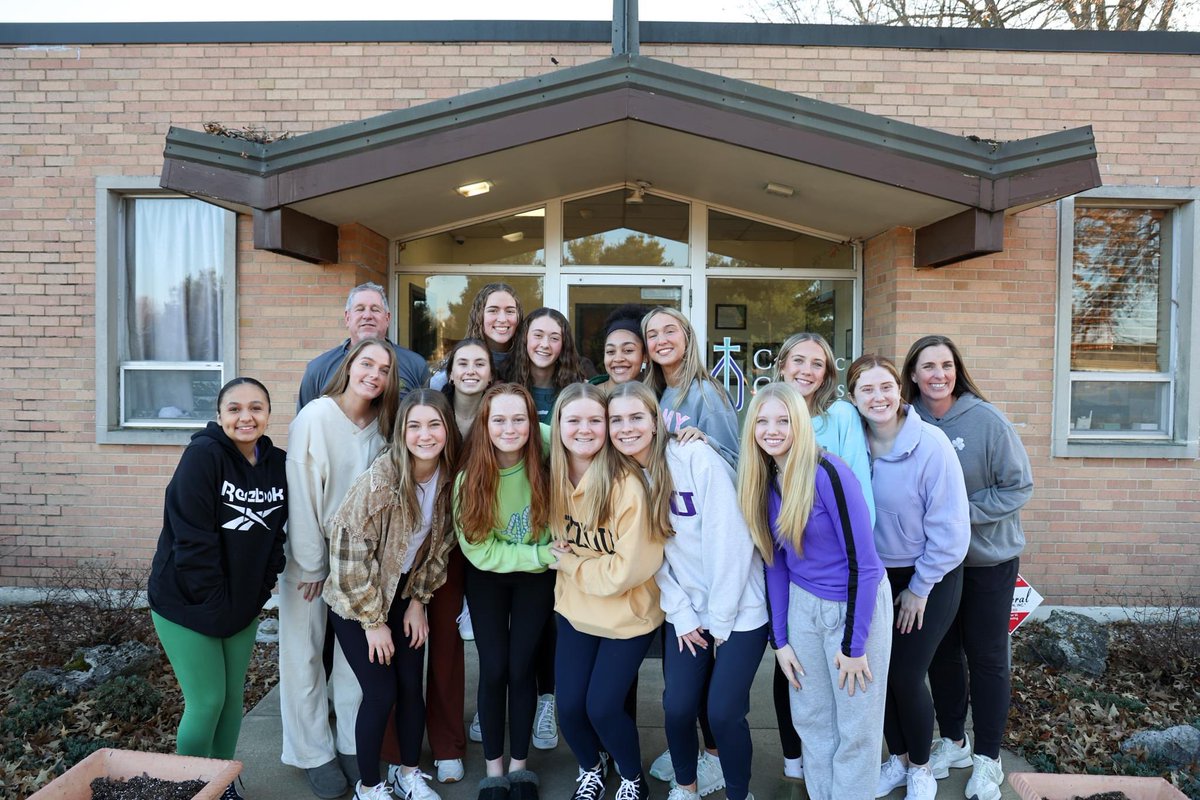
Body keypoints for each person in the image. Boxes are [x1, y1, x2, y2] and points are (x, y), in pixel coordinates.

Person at [606, 381, 767, 800]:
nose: (627, 428)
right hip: (688, 613)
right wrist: (681, 612)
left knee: (725, 712)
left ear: (657, 422)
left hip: (739, 608)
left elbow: (731, 543)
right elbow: (650, 558)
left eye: (637, 417)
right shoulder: (624, 479)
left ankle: (738, 792)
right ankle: (686, 788)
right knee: (677, 708)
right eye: (616, 420)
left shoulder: (695, 457)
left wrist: (721, 621)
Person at [736, 382, 891, 800]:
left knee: (855, 731)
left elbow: (866, 564)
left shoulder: (830, 473)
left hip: (854, 608)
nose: (772, 430)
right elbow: (776, 563)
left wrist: (854, 645)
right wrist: (780, 640)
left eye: (783, 420)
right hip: (804, 610)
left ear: (800, 424)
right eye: (763, 421)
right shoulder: (764, 480)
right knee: (813, 723)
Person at [901, 335, 1033, 800]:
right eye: (928, 366)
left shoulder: (987, 421)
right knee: (941, 654)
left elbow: (1018, 487)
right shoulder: (904, 418)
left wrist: (957, 511)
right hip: (934, 565)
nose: (939, 374)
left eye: (946, 365)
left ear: (957, 370)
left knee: (988, 657)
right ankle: (954, 741)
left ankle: (988, 759)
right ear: (912, 374)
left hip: (985, 561)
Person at [148, 377, 287, 800]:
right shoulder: (202, 457)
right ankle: (189, 788)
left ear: (267, 413)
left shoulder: (277, 462)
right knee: (206, 701)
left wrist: (262, 589)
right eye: (235, 408)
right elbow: (190, 539)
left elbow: (276, 533)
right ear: (220, 415)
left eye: (256, 407)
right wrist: (215, 603)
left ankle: (220, 783)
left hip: (241, 603)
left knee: (231, 701)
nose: (246, 416)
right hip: (185, 602)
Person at [324, 390, 461, 800]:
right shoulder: (380, 481)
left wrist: (418, 601)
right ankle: (369, 786)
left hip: (404, 593)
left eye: (434, 424)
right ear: (401, 432)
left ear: (447, 430)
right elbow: (347, 557)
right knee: (381, 691)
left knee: (409, 685)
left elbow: (441, 548)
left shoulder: (450, 479)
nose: (425, 434)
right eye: (414, 425)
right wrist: (373, 622)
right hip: (356, 598)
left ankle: (407, 773)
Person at [845, 355, 970, 800]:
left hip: (929, 574)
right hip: (875, 576)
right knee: (878, 675)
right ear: (853, 398)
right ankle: (897, 760)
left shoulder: (930, 444)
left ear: (900, 390)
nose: (877, 397)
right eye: (866, 390)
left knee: (905, 673)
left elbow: (952, 531)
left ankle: (921, 767)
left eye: (885, 387)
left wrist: (919, 589)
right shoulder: (851, 443)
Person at [281, 339, 400, 799]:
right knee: (305, 654)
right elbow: (302, 489)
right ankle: (313, 752)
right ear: (349, 366)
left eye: (384, 368)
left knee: (356, 661)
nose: (374, 374)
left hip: (359, 564)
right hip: (310, 559)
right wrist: (310, 564)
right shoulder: (315, 415)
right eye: (366, 363)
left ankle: (353, 742)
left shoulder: (384, 426)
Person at [549, 382, 666, 800]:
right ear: (557, 425)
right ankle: (591, 766)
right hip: (575, 610)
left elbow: (623, 573)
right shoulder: (552, 475)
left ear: (608, 427)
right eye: (573, 420)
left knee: (601, 706)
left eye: (594, 420)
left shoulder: (627, 485)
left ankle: (633, 777)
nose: (584, 429)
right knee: (569, 709)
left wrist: (569, 562)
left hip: (628, 616)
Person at [768, 331, 875, 781]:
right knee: (807, 707)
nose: (806, 370)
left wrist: (856, 635)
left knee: (852, 716)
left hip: (844, 579)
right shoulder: (767, 430)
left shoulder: (838, 430)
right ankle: (804, 768)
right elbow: (772, 554)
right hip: (799, 589)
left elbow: (857, 509)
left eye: (817, 363)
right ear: (782, 365)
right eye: (798, 360)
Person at [454, 383, 556, 800]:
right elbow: (480, 551)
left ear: (534, 424)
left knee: (521, 668)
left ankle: (519, 768)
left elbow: (583, 432)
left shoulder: (549, 455)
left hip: (537, 580)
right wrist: (541, 554)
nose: (510, 428)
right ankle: (494, 771)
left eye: (519, 419)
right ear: (485, 424)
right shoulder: (470, 478)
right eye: (499, 419)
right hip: (490, 576)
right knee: (494, 668)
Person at [297, 282, 429, 410]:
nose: (367, 316)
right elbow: (304, 426)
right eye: (360, 309)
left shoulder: (415, 365)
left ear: (387, 318)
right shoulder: (318, 369)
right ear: (347, 318)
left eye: (375, 309)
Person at [642, 306, 739, 469]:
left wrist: (705, 441)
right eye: (652, 335)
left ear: (687, 337)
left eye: (670, 331)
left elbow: (734, 463)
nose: (661, 340)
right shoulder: (655, 394)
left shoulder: (708, 394)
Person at [430, 283, 523, 391]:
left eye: (510, 311)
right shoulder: (458, 361)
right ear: (479, 316)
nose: (502, 319)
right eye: (493, 310)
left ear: (518, 316)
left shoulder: (527, 360)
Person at [505, 307, 586, 423]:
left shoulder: (579, 391)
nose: (545, 344)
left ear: (564, 345)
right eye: (538, 335)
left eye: (554, 338)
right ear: (525, 338)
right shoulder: (504, 387)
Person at [589, 304, 649, 391]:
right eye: (610, 351)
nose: (618, 359)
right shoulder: (587, 397)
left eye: (628, 350)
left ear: (645, 355)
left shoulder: (658, 397)